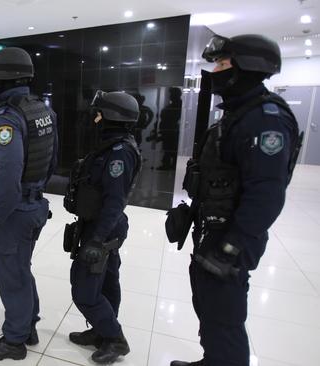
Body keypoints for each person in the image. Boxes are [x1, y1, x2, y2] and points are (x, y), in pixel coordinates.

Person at [172, 34, 303, 366]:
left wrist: (231, 247)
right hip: (213, 228)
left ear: (248, 67)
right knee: (209, 308)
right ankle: (212, 360)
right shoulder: (237, 113)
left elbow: (267, 194)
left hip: (230, 236)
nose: (215, 70)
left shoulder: (265, 119)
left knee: (225, 318)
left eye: (222, 63)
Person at [0, 47, 58, 361]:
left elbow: (8, 175)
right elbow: (52, 161)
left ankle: (14, 341)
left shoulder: (6, 118)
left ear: (0, 78)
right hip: (35, 205)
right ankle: (29, 325)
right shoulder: (43, 110)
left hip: (14, 211)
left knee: (12, 276)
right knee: (22, 269)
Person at [64, 91, 141, 364]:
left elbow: (114, 201)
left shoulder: (119, 153)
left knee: (83, 289)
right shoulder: (112, 147)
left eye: (98, 114)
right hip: (101, 226)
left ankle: (115, 339)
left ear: (110, 118)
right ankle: (101, 332)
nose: (94, 119)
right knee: (107, 282)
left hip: (103, 229)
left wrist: (96, 240)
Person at [156, 87, 182, 170]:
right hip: (167, 131)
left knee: (171, 149)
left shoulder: (179, 105)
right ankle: (167, 164)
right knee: (167, 149)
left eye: (171, 94)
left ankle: (172, 165)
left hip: (172, 131)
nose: (170, 96)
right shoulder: (172, 106)